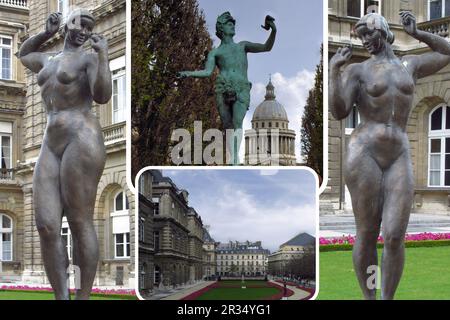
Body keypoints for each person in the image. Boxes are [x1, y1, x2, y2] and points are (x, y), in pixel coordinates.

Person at [329, 11, 450, 300]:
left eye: (369, 34)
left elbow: (448, 51)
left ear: (382, 31)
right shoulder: (358, 71)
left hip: (399, 153)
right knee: (368, 233)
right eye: (361, 37)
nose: (365, 41)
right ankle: (370, 298)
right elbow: (340, 111)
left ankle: (387, 299)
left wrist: (418, 33)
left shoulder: (411, 65)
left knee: (395, 235)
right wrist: (334, 71)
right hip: (365, 152)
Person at [18, 9, 111, 300]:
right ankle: (62, 297)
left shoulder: (88, 58)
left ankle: (82, 297)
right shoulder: (48, 59)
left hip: (81, 136)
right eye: (79, 23)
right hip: (51, 140)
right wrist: (46, 32)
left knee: (79, 219)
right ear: (68, 22)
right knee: (46, 224)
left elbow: (103, 95)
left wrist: (104, 56)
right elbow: (23, 54)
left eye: (89, 26)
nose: (84, 29)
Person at [179, 12, 276, 165]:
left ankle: (235, 159)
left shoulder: (242, 46)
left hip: (241, 87)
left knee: (237, 122)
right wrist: (189, 73)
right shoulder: (215, 52)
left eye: (233, 23)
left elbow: (266, 47)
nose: (233, 25)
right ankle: (232, 157)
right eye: (229, 24)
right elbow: (207, 72)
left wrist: (274, 30)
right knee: (227, 125)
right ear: (221, 28)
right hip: (222, 87)